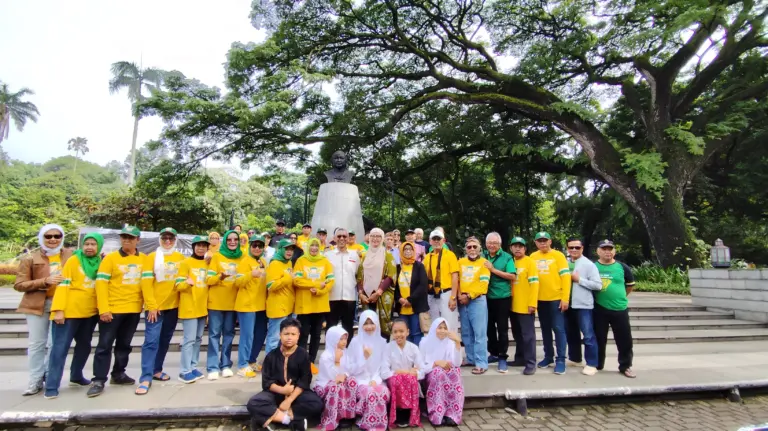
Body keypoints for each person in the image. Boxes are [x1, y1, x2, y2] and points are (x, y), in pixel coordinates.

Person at [88, 225, 146, 397]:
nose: (127, 240)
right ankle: (98, 379)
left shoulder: (144, 259)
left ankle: (118, 373)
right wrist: (103, 309)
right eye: (124, 237)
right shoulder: (110, 259)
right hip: (112, 310)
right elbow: (101, 284)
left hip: (133, 309)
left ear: (138, 240)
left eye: (131, 237)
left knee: (124, 345)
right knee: (104, 345)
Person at [45, 232, 104, 399]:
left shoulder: (100, 262)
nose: (89, 247)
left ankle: (76, 376)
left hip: (89, 313)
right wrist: (58, 310)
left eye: (93, 244)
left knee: (84, 346)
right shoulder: (74, 261)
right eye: (87, 244)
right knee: (60, 349)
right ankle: (51, 386)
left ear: (99, 246)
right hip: (68, 313)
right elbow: (62, 286)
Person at [15, 223, 70, 396]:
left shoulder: (70, 255)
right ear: (42, 238)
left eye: (57, 236)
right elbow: (19, 284)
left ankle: (49, 376)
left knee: (55, 345)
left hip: (61, 305)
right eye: (48, 236)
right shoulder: (30, 258)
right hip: (37, 304)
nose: (53, 239)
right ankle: (35, 380)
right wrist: (45, 281)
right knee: (37, 344)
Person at [246, 318, 323, 431]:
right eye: (286, 334)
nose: (289, 337)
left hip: (297, 393)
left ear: (298, 336)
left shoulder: (303, 355)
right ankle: (288, 420)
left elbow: (305, 381)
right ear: (280, 335)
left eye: (293, 334)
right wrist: (283, 391)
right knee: (253, 403)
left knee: (317, 404)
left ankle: (270, 418)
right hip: (275, 393)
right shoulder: (271, 356)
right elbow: (266, 382)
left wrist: (289, 400)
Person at [137, 227, 184, 395]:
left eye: (171, 238)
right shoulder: (152, 257)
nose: (168, 241)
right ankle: (145, 377)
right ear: (160, 239)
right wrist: (151, 305)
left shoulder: (180, 258)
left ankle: (156, 369)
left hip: (173, 307)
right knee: (151, 341)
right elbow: (146, 283)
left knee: (165, 340)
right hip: (155, 308)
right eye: (165, 238)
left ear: (175, 239)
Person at [206, 230, 250, 380]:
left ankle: (225, 364)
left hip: (233, 303)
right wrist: (220, 276)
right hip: (216, 303)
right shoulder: (217, 256)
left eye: (235, 239)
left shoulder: (243, 257)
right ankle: (212, 367)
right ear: (224, 241)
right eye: (229, 239)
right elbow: (209, 279)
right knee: (214, 335)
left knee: (229, 334)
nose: (232, 242)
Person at [594, 239, 637, 378]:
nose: (607, 251)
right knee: (599, 338)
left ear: (614, 251)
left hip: (620, 308)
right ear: (598, 251)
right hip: (599, 308)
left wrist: (620, 297)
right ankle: (597, 364)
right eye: (604, 249)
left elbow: (630, 285)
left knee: (624, 339)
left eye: (610, 249)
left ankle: (625, 366)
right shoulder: (593, 267)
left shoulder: (622, 267)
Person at [531, 231, 571, 375]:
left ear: (550, 241)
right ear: (535, 243)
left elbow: (566, 277)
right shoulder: (532, 257)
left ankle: (560, 359)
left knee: (558, 329)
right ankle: (548, 356)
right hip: (540, 300)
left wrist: (565, 297)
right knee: (545, 329)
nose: (542, 243)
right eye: (539, 241)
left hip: (556, 299)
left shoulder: (558, 256)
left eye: (545, 240)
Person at [346, 310, 390, 431]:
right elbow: (350, 368)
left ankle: (377, 422)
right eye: (366, 323)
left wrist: (375, 380)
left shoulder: (382, 342)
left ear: (377, 323)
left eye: (372, 323)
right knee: (370, 393)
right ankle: (373, 424)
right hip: (360, 382)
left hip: (378, 380)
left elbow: (384, 366)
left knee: (381, 392)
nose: (369, 327)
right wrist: (364, 358)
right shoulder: (355, 342)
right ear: (361, 325)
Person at [564, 237, 603, 376]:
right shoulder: (565, 262)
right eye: (571, 247)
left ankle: (592, 363)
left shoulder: (588, 264)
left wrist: (579, 280)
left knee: (588, 335)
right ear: (567, 249)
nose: (574, 250)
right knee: (571, 333)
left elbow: (598, 285)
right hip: (567, 304)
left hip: (583, 305)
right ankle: (575, 358)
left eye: (577, 247)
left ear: (582, 249)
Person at [294, 238, 334, 366]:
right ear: (308, 247)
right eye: (312, 246)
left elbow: (331, 281)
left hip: (320, 304)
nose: (314, 248)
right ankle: (302, 358)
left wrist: (320, 291)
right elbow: (297, 281)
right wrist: (317, 284)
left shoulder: (325, 262)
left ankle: (311, 359)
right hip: (304, 304)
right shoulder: (301, 261)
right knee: (303, 333)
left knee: (316, 334)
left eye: (317, 246)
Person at [175, 235, 211, 383]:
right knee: (189, 340)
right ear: (193, 247)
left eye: (204, 245)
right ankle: (184, 371)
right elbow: (178, 285)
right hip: (189, 307)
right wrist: (187, 283)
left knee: (197, 339)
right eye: (198, 245)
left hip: (203, 308)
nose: (201, 248)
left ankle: (193, 366)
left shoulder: (209, 264)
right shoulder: (185, 263)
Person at [482, 232, 517, 373]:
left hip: (502, 297)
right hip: (486, 297)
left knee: (502, 329)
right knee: (489, 328)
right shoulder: (482, 256)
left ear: (500, 244)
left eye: (494, 243)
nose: (491, 245)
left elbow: (512, 276)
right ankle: (493, 353)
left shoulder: (507, 257)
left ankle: (503, 357)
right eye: (489, 242)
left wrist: (493, 270)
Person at [419, 318, 464, 426]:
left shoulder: (450, 343)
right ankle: (436, 414)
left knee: (455, 372)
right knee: (438, 373)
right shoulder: (424, 342)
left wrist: (458, 343)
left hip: (447, 375)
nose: (442, 330)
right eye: (440, 328)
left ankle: (451, 414)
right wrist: (435, 363)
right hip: (431, 375)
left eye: (445, 328)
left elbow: (457, 363)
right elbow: (420, 367)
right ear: (434, 328)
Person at [457, 237, 491, 374]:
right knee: (466, 333)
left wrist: (469, 296)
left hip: (477, 300)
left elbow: (483, 284)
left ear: (480, 249)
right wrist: (460, 295)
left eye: (474, 247)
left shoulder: (484, 263)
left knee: (479, 333)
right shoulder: (460, 262)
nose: (472, 249)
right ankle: (470, 358)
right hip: (462, 300)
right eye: (469, 247)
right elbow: (456, 280)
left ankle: (481, 362)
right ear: (465, 249)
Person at [382, 319, 424, 429]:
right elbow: (384, 372)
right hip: (394, 381)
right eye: (395, 332)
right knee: (399, 379)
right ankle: (398, 413)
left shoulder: (414, 348)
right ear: (392, 333)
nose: (398, 334)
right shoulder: (387, 348)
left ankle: (408, 412)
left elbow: (422, 370)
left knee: (409, 379)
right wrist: (402, 372)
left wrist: (414, 373)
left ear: (408, 332)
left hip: (410, 381)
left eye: (401, 331)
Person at [236, 235, 269, 377]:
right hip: (247, 304)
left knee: (260, 334)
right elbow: (237, 283)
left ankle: (251, 360)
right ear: (250, 247)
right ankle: (242, 365)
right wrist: (251, 274)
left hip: (261, 305)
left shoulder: (263, 261)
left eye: (260, 246)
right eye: (254, 245)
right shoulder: (244, 261)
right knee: (247, 335)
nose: (257, 248)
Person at [313, 326, 357, 431]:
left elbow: (350, 368)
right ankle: (333, 417)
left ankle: (347, 415)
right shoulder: (326, 356)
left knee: (352, 382)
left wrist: (345, 375)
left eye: (345, 339)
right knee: (336, 387)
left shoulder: (346, 352)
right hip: (325, 384)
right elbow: (332, 377)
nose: (344, 342)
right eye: (340, 339)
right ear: (333, 339)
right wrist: (337, 361)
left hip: (341, 380)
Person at [357, 228, 396, 338]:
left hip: (382, 297)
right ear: (369, 238)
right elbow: (360, 276)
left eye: (378, 236)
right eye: (372, 236)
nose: (375, 239)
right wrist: (361, 294)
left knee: (382, 330)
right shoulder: (365, 256)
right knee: (368, 327)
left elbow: (391, 276)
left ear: (382, 239)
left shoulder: (387, 255)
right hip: (367, 298)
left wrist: (378, 292)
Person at [508, 237, 539, 375]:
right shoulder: (510, 261)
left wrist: (532, 303)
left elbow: (535, 284)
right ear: (511, 248)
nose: (518, 248)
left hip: (526, 306)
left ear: (525, 249)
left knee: (528, 336)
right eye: (515, 246)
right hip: (512, 306)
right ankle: (520, 358)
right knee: (517, 334)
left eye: (521, 246)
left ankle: (531, 363)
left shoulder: (530, 262)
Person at [326, 228, 362, 345]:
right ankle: (331, 353)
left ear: (348, 238)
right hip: (332, 296)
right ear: (334, 238)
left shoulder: (355, 256)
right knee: (331, 327)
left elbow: (358, 274)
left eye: (344, 236)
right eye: (339, 236)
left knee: (348, 327)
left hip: (349, 297)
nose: (342, 238)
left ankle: (348, 353)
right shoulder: (327, 255)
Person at [265, 239, 298, 354]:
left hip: (287, 306)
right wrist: (288, 278)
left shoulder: (288, 262)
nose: (289, 252)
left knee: (283, 339)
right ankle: (270, 364)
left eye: (291, 249)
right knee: (274, 338)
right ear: (280, 249)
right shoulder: (274, 263)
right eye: (287, 249)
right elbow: (271, 285)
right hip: (277, 307)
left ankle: (278, 363)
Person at [424, 229, 460, 332]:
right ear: (430, 241)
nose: (436, 241)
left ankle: (452, 348)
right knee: (435, 326)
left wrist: (453, 297)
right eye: (434, 239)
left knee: (450, 326)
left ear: (443, 241)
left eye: (438, 239)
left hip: (446, 293)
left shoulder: (450, 255)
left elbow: (455, 276)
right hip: (432, 295)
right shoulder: (427, 257)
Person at [393, 241, 428, 346]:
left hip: (415, 307)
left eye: (410, 249)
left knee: (416, 333)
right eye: (405, 249)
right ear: (401, 251)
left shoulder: (419, 266)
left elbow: (422, 285)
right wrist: (399, 299)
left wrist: (410, 300)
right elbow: (394, 287)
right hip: (402, 307)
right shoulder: (398, 268)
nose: (408, 251)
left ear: (414, 251)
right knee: (403, 334)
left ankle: (416, 357)